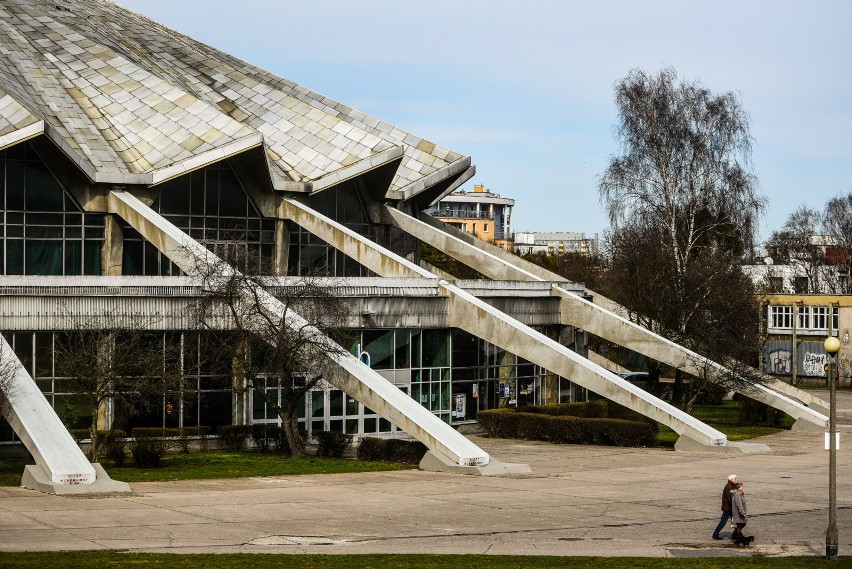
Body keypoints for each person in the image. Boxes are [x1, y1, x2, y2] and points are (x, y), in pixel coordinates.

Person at [712, 474, 737, 539]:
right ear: (731, 479)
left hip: (730, 507)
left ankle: (737, 534)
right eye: (735, 479)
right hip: (728, 508)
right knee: (723, 522)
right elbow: (730, 498)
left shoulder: (732, 485)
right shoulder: (729, 487)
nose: (736, 480)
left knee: (734, 522)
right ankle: (715, 534)